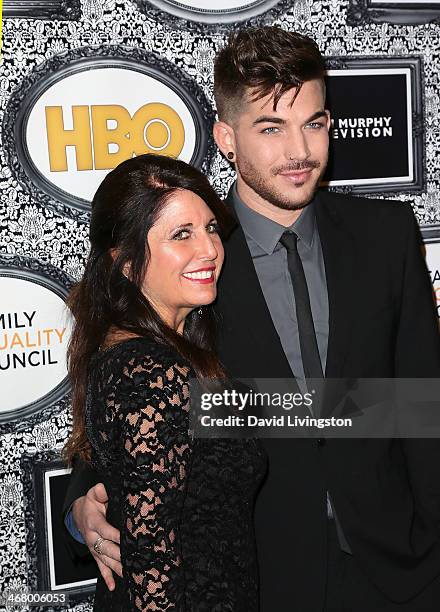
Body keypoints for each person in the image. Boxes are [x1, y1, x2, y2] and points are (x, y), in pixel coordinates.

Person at [63, 28, 440, 611]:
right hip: (259, 578)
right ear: (226, 138)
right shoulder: (191, 263)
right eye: (271, 128)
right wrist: (82, 499)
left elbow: (423, 402)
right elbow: (130, 388)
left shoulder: (386, 236)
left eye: (314, 123)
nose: (299, 152)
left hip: (397, 571)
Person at [62, 153, 267, 611]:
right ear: (127, 263)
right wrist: (82, 501)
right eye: (182, 234)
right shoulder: (151, 364)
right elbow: (154, 565)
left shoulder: (178, 334)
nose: (210, 249)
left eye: (211, 228)